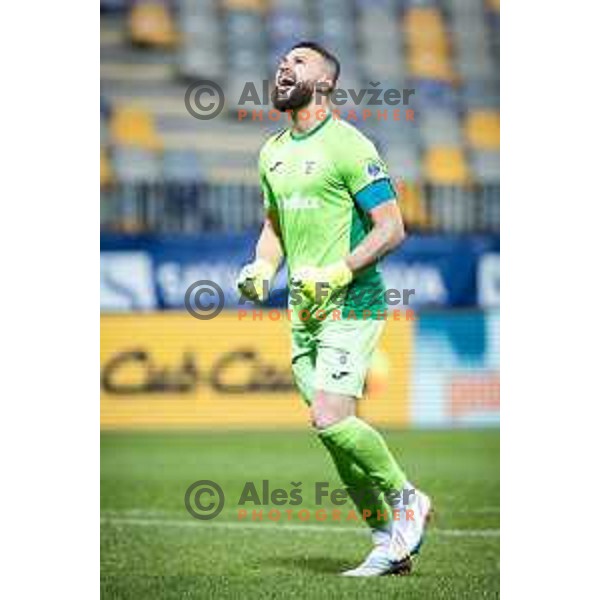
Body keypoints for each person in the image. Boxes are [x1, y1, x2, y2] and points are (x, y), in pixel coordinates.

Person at [236, 41, 431, 577]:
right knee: (333, 437)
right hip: (303, 313)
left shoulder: (349, 145)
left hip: (354, 302)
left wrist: (341, 270)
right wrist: (261, 266)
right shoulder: (271, 151)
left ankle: (408, 498)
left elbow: (392, 227)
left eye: (298, 62)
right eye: (281, 61)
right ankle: (386, 541)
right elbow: (275, 225)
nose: (283, 66)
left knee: (329, 417)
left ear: (324, 82)